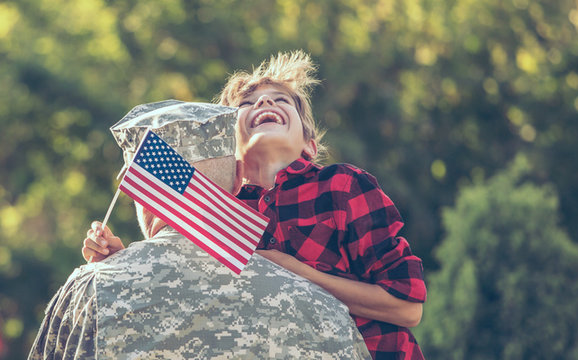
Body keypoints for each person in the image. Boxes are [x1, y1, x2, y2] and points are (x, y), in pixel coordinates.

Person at [85, 51, 428, 360]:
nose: (264, 102)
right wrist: (122, 262)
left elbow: (406, 306)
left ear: (308, 144)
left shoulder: (344, 185)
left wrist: (291, 270)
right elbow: (181, 295)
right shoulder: (217, 212)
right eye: (248, 103)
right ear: (228, 147)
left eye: (281, 100)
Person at [36, 101, 371, 359]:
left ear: (135, 185)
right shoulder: (322, 308)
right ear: (240, 176)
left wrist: (112, 277)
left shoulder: (90, 290)